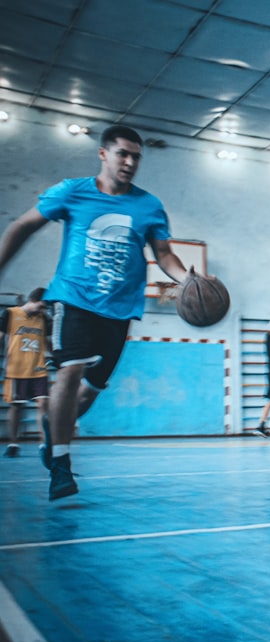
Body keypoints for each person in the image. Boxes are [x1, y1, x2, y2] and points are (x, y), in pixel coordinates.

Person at [0, 125, 190, 500]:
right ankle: (61, 464)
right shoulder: (73, 191)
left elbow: (164, 254)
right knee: (69, 372)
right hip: (74, 299)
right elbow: (23, 225)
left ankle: (52, 433)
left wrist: (189, 279)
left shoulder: (148, 206)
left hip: (120, 310)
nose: (130, 162)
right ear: (103, 154)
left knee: (89, 394)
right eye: (123, 153)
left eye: (136, 156)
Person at [0, 288, 51, 459]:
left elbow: (48, 342)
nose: (42, 310)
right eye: (41, 306)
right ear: (33, 299)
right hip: (16, 368)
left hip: (38, 368)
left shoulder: (43, 319)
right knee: (16, 406)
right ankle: (13, 443)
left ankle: (44, 444)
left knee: (43, 405)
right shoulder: (10, 314)